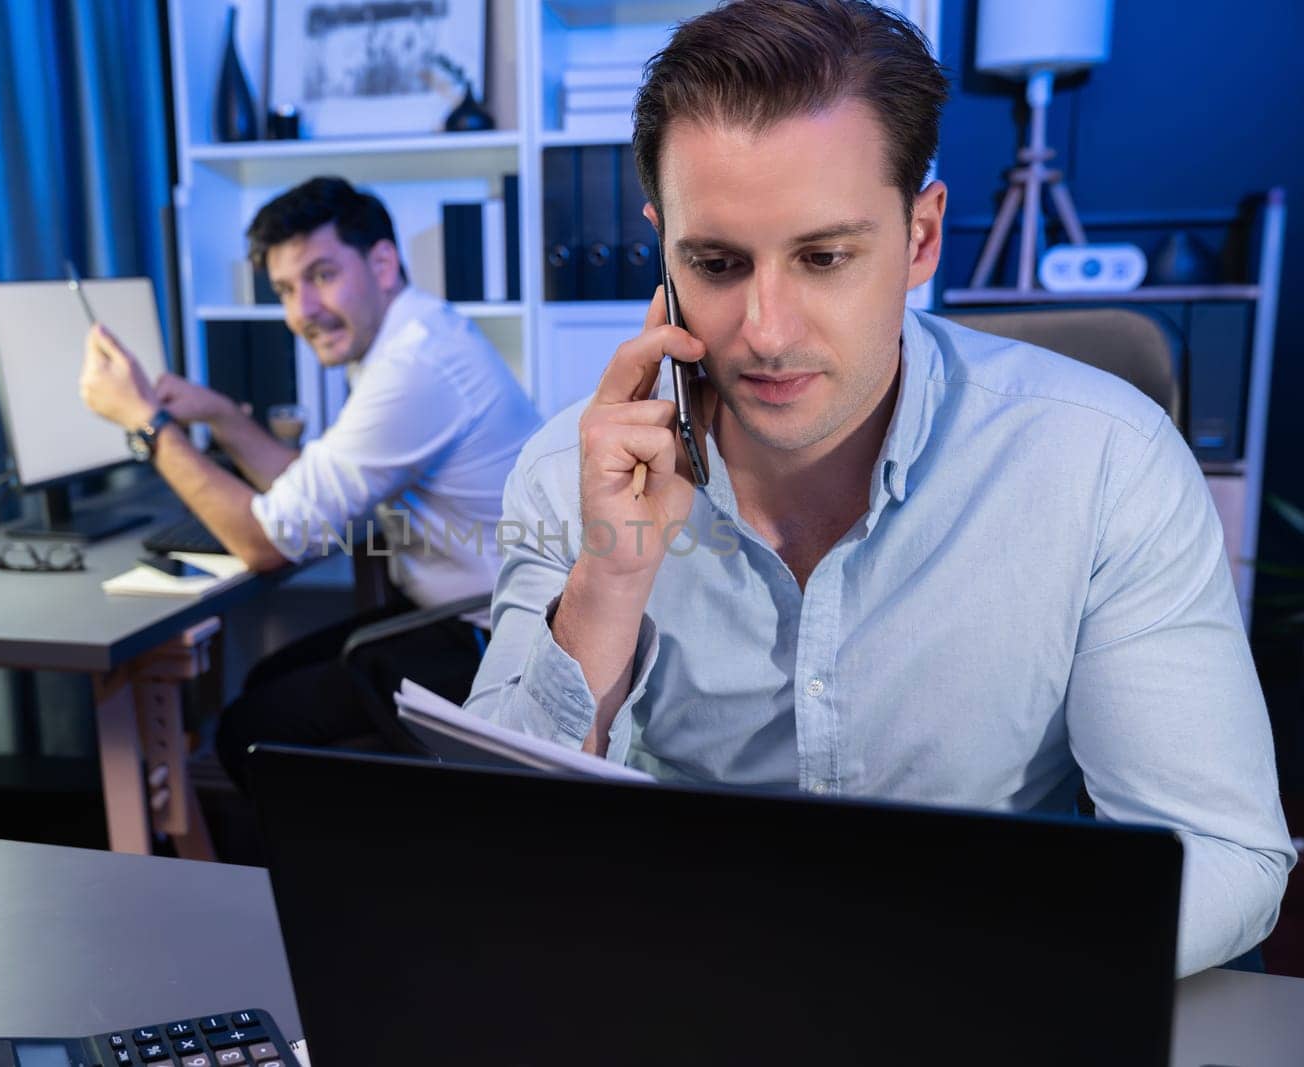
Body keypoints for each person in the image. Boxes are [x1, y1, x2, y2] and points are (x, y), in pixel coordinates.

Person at [463, 0, 1294, 978]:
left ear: (921, 236)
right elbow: (480, 849)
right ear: (662, 245)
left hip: (984, 989)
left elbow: (1223, 854)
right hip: (673, 984)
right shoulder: (577, 464)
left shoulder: (1103, 460)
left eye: (823, 256)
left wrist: (932, 955)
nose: (766, 330)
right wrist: (608, 580)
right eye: (717, 262)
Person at [80, 176, 541, 786]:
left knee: (252, 733)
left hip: (492, 645)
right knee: (267, 681)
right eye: (285, 290)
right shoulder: (413, 335)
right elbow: (305, 490)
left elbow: (265, 542)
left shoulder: (414, 368)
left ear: (382, 262)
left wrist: (148, 424)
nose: (302, 312)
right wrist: (218, 413)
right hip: (468, 614)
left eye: (322, 276)